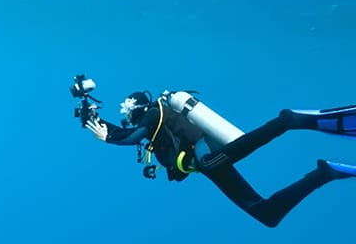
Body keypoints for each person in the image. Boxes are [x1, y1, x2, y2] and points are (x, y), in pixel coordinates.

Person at [84, 89, 356, 227]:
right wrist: (93, 121)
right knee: (267, 214)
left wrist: (106, 138)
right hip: (207, 165)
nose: (126, 113)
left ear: (139, 107)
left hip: (207, 159)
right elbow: (126, 132)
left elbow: (130, 136)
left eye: (128, 108)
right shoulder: (152, 125)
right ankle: (323, 174)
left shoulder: (154, 115)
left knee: (239, 149)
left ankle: (287, 121)